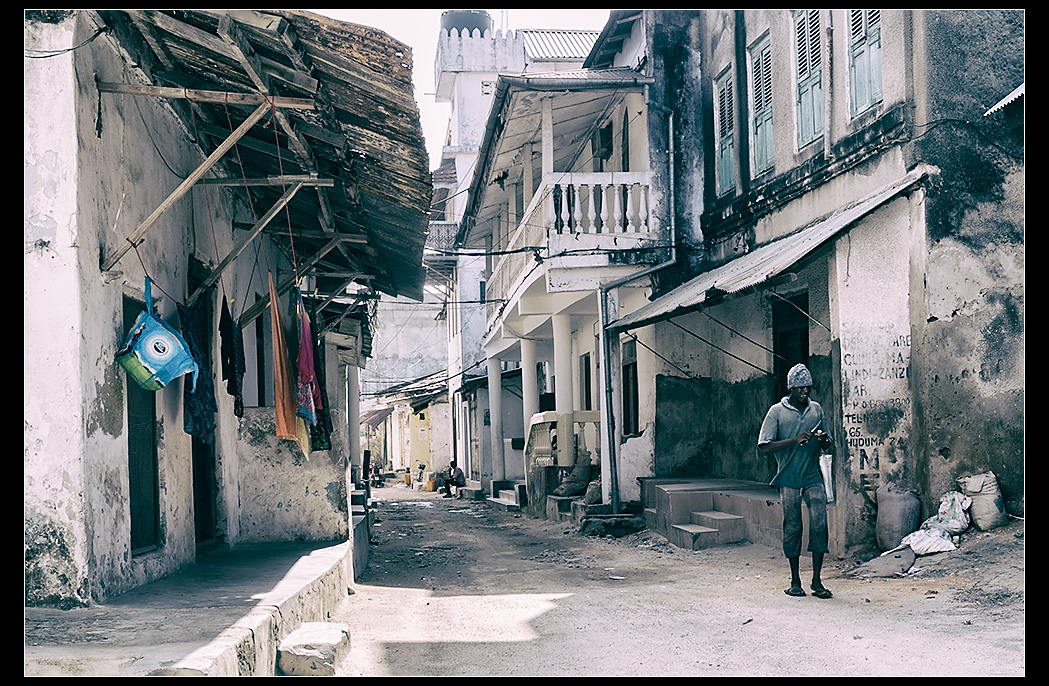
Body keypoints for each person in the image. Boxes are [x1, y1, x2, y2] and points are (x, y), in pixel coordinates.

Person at [758, 363, 834, 599]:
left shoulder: (816, 410)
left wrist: (822, 439)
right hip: (789, 477)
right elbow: (764, 447)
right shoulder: (776, 412)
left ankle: (817, 581)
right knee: (792, 527)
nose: (804, 392)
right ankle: (795, 580)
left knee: (819, 525)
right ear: (791, 388)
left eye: (807, 388)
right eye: (800, 388)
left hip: (813, 477)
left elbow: (828, 443)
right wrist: (794, 440)